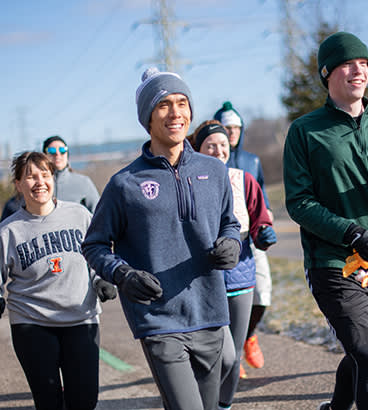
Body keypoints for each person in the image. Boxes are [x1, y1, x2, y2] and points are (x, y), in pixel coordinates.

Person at [81, 67, 241, 410]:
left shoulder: (214, 171)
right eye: (164, 105)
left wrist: (232, 243)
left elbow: (229, 223)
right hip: (159, 318)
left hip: (210, 313)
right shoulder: (125, 184)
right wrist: (123, 274)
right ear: (148, 118)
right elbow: (94, 244)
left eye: (182, 103)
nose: (176, 112)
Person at [283, 31, 368, 410]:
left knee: (363, 351)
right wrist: (350, 231)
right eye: (349, 64)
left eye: (365, 63)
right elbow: (299, 203)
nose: (359, 71)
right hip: (334, 263)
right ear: (328, 72)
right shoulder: (305, 131)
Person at [0, 151, 117, 410]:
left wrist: (102, 279)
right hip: (32, 322)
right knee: (49, 401)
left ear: (54, 179)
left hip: (81, 318)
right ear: (18, 184)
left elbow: (97, 254)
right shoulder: (9, 230)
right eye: (30, 177)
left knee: (85, 400)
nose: (39, 182)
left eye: (45, 174)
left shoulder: (80, 215)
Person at [189, 120, 277, 410]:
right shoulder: (188, 182)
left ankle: (223, 405)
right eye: (211, 145)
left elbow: (258, 216)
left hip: (240, 278)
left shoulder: (244, 180)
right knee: (217, 354)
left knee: (234, 353)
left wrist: (263, 232)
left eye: (223, 145)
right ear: (198, 149)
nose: (218, 151)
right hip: (203, 281)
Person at [214, 101, 273, 375]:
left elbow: (260, 194)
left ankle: (247, 335)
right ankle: (230, 353)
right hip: (222, 244)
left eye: (236, 127)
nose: (232, 133)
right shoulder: (208, 158)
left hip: (251, 238)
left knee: (262, 294)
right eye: (227, 128)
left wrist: (265, 223)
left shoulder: (251, 160)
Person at [43, 135, 100, 213]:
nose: (57, 154)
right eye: (51, 151)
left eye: (62, 150)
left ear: (67, 154)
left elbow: (99, 215)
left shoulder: (84, 182)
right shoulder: (39, 185)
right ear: (44, 155)